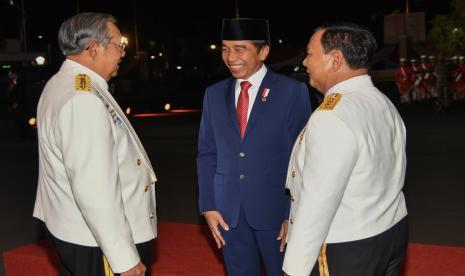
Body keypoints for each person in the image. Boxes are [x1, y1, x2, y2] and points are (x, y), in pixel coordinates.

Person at [33, 13, 157, 276]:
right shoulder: (83, 99)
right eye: (118, 45)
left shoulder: (68, 83)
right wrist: (124, 258)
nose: (122, 53)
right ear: (93, 49)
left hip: (80, 232)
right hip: (98, 240)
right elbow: (95, 187)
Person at [283, 23, 408, 276]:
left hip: (346, 245)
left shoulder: (332, 115)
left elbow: (318, 202)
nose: (305, 63)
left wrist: (294, 269)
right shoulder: (381, 101)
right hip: (390, 231)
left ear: (335, 60)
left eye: (310, 54)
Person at [197, 18, 311, 276]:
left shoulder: (291, 92)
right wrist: (208, 205)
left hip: (275, 210)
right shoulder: (214, 94)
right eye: (225, 48)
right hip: (228, 213)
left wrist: (293, 213)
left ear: (264, 51)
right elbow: (207, 152)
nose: (230, 57)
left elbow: (303, 157)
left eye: (240, 48)